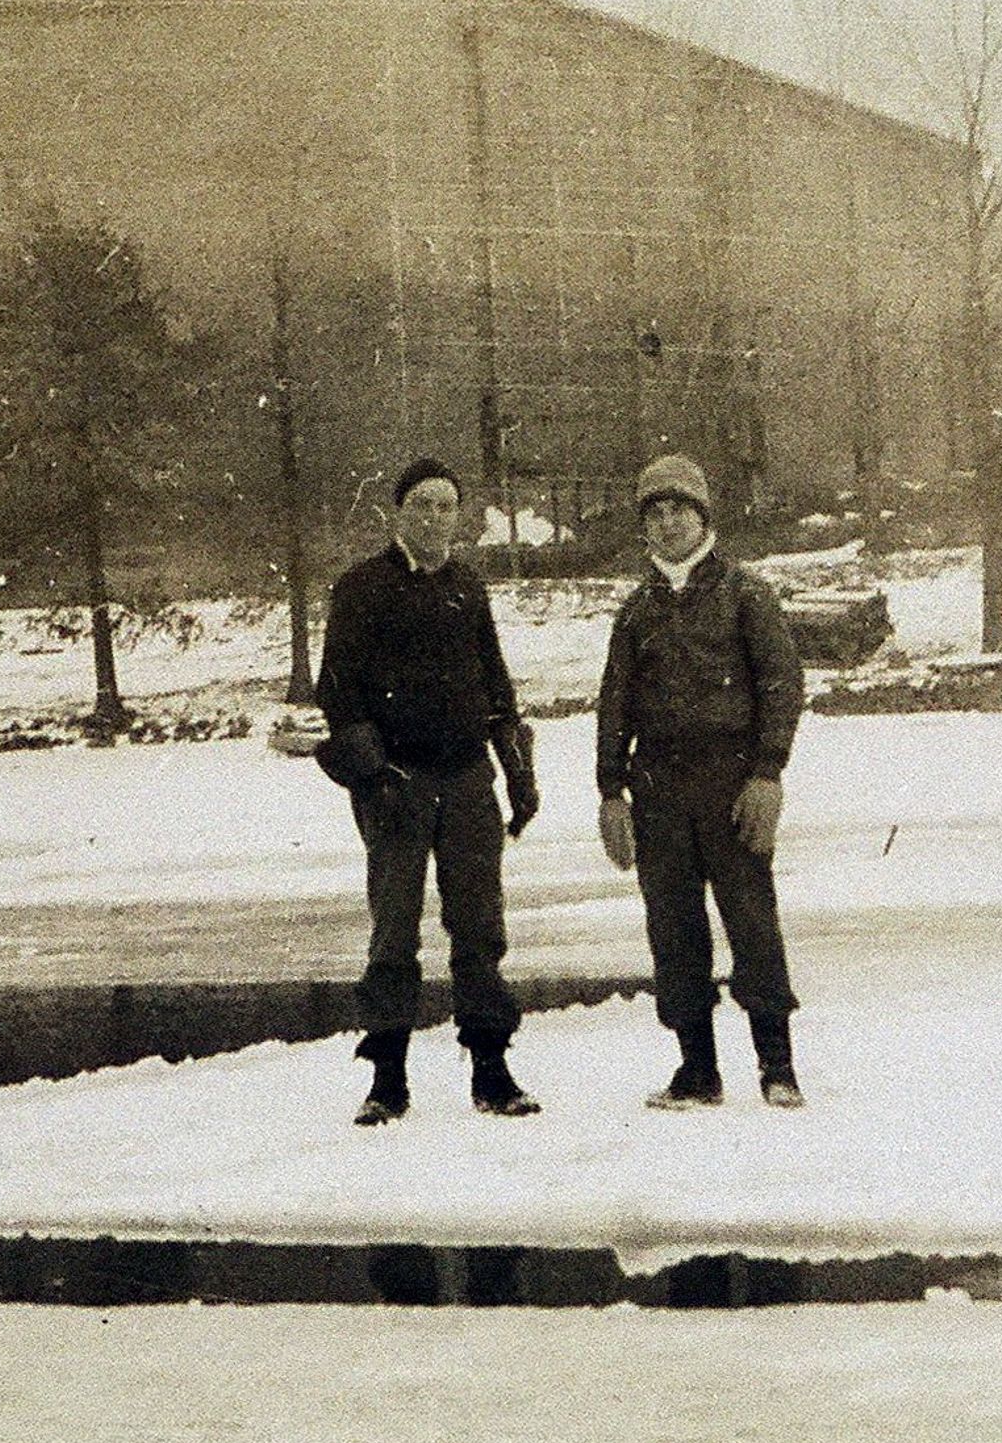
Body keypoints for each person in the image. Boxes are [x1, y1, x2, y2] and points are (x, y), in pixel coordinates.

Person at [312, 456, 542, 1124]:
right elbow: (339, 692)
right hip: (398, 783)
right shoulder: (361, 588)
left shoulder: (468, 588)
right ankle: (388, 1076)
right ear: (399, 513)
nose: (436, 517)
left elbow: (497, 687)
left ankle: (492, 1069)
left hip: (469, 779)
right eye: (423, 505)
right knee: (394, 929)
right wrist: (373, 772)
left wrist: (518, 769)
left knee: (479, 926)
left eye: (447, 505)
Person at [595, 453, 806, 1108]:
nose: (667, 524)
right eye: (654, 513)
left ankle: (777, 1066)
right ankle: (697, 1069)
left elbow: (782, 685)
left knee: (751, 921)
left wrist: (767, 773)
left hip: (732, 785)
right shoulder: (634, 612)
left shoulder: (748, 593)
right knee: (674, 931)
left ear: (703, 515)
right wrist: (611, 792)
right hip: (657, 790)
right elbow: (614, 704)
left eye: (678, 509)